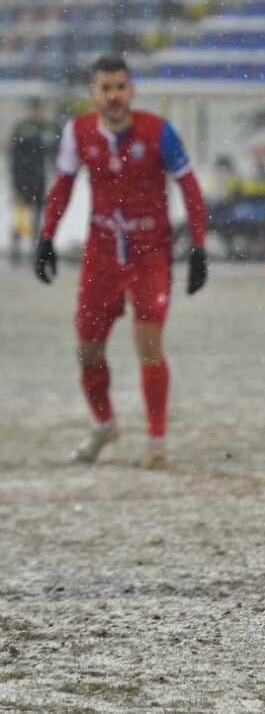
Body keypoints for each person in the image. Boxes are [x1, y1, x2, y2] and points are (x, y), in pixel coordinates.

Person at [34, 54, 208, 469]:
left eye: (120, 87)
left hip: (150, 255)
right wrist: (45, 238)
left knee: (148, 345)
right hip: (101, 256)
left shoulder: (159, 132)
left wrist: (198, 247)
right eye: (105, 88)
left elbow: (190, 187)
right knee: (88, 350)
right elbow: (61, 188)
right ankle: (105, 424)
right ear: (93, 93)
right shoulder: (78, 133)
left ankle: (156, 442)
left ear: (131, 90)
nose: (114, 96)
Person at [8, 98, 54, 264]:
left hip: (39, 179)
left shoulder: (47, 128)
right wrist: (15, 179)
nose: (39, 113)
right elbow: (14, 155)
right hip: (23, 179)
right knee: (20, 217)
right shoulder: (22, 128)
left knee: (37, 216)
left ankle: (34, 250)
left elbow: (52, 152)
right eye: (36, 110)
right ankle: (16, 250)